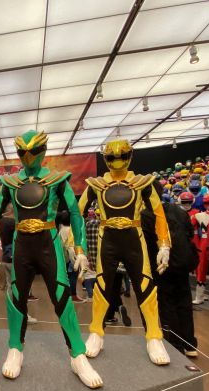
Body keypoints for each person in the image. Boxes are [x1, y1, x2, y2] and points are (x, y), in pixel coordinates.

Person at [0, 130, 101, 388]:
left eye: (33, 151)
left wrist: (80, 247)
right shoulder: (11, 183)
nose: (28, 156)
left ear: (42, 150)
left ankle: (77, 354)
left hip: (48, 242)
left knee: (62, 296)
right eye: (22, 151)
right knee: (16, 296)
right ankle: (15, 348)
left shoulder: (56, 179)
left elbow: (75, 212)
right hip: (22, 244)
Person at [80, 140, 171, 366]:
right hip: (108, 239)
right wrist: (79, 248)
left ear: (130, 156)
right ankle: (96, 332)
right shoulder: (97, 184)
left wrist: (164, 244)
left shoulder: (141, 183)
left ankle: (154, 335)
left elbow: (159, 213)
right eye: (111, 157)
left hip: (133, 238)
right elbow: (77, 212)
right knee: (102, 286)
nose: (117, 161)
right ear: (105, 159)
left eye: (122, 156)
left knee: (145, 286)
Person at [142, 182, 199, 357]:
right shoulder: (179, 211)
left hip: (161, 267)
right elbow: (190, 234)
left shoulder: (145, 215)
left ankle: (174, 344)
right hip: (182, 264)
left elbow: (146, 244)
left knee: (166, 304)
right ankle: (190, 344)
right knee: (184, 302)